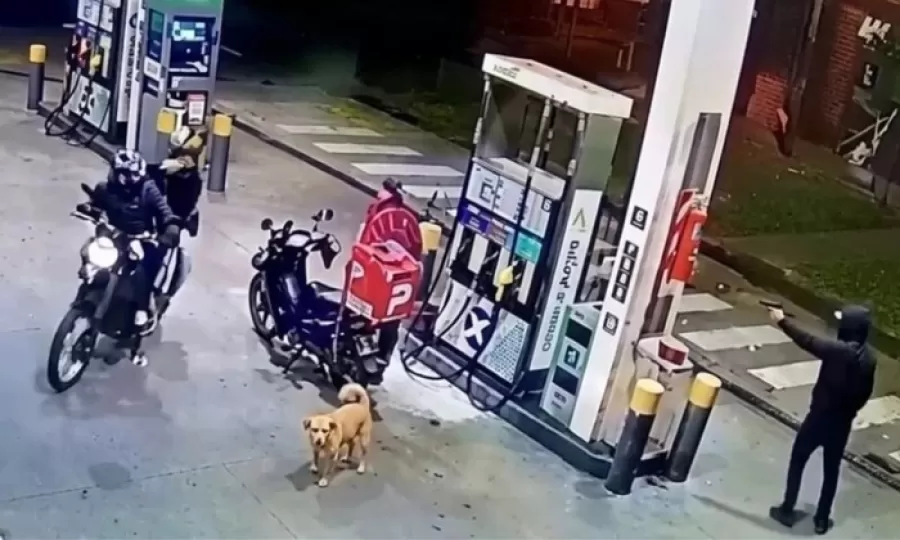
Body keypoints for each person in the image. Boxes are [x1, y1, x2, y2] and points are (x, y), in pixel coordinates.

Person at [766, 304, 876, 535]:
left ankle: (787, 508)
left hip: (819, 418)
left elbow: (807, 341)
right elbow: (866, 393)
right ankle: (822, 519)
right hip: (842, 424)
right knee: (831, 470)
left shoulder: (839, 351)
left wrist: (781, 321)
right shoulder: (869, 358)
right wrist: (850, 411)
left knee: (798, 459)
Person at [90, 149, 181, 363]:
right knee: (89, 250)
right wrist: (90, 210)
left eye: (133, 175)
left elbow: (164, 212)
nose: (129, 180)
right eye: (124, 175)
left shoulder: (148, 189)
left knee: (143, 273)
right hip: (115, 237)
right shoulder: (105, 189)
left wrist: (170, 228)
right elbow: (96, 205)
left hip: (142, 240)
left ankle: (140, 317)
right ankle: (87, 284)